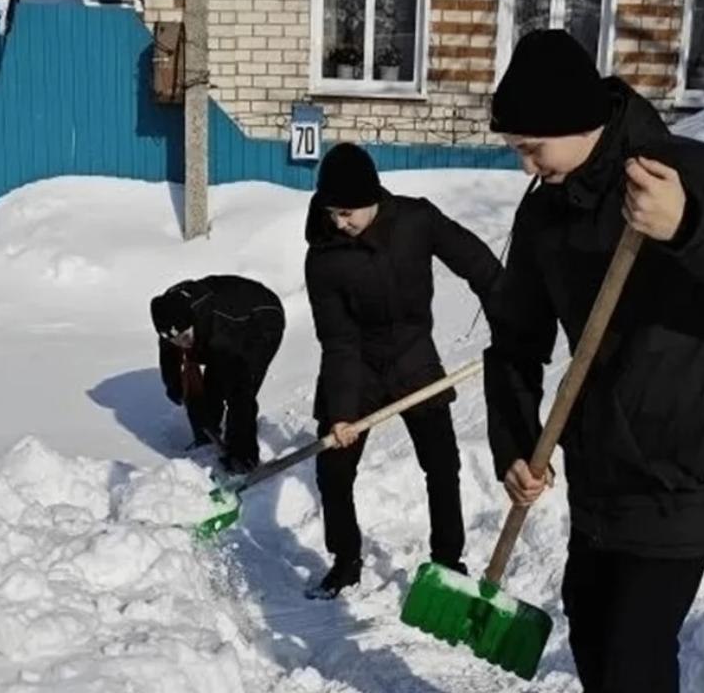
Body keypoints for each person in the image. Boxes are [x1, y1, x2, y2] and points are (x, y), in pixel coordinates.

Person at [482, 30, 704, 692]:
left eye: (531, 147)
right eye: (516, 149)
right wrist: (515, 444)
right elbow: (516, 342)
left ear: (577, 123)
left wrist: (689, 224)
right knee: (590, 626)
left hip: (680, 465)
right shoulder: (547, 213)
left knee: (633, 653)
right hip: (600, 464)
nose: (525, 166)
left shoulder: (681, 172)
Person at [303, 142, 502, 600]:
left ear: (372, 196)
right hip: (359, 365)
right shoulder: (324, 257)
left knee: (442, 463)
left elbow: (480, 266)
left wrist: (509, 323)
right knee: (334, 469)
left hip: (414, 357)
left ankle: (448, 561)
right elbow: (338, 340)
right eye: (332, 212)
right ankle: (345, 560)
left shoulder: (417, 220)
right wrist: (342, 411)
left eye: (347, 212)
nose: (339, 222)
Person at [151, 275, 285, 474]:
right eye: (176, 340)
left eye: (186, 337)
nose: (183, 344)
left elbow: (239, 392)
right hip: (218, 327)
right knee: (210, 387)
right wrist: (174, 385)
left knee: (239, 389)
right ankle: (207, 434)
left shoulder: (221, 329)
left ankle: (244, 459)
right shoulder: (170, 315)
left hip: (260, 322)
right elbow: (169, 352)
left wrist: (239, 450)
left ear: (192, 322)